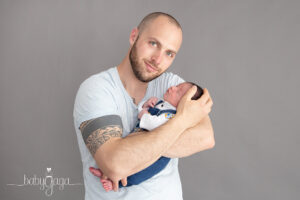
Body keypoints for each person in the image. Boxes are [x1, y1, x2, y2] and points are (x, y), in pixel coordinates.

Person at [73, 12, 214, 200]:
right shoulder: (97, 89)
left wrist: (128, 156)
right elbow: (115, 165)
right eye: (153, 43)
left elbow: (206, 138)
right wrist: (182, 120)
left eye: (169, 53)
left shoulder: (172, 85)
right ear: (134, 36)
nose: (157, 59)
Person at [89, 82, 203, 192]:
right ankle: (106, 172)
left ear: (184, 104)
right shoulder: (161, 103)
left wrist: (144, 114)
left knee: (138, 173)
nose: (173, 87)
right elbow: (141, 113)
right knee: (122, 156)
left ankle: (116, 183)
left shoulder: (172, 116)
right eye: (176, 86)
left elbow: (155, 126)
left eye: (178, 91)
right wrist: (145, 105)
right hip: (139, 140)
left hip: (155, 157)